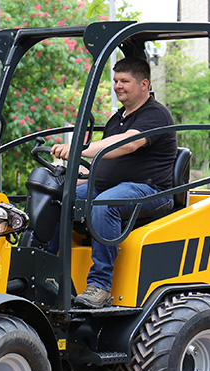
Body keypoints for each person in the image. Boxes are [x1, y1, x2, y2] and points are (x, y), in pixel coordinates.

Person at [50, 57, 177, 308]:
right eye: (116, 80)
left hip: (150, 191)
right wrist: (78, 180)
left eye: (125, 81)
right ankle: (41, 270)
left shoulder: (155, 114)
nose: (118, 85)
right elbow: (106, 160)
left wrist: (78, 149)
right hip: (110, 186)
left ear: (144, 84)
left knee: (105, 203)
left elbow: (127, 144)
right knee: (57, 197)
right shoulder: (118, 118)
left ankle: (100, 286)